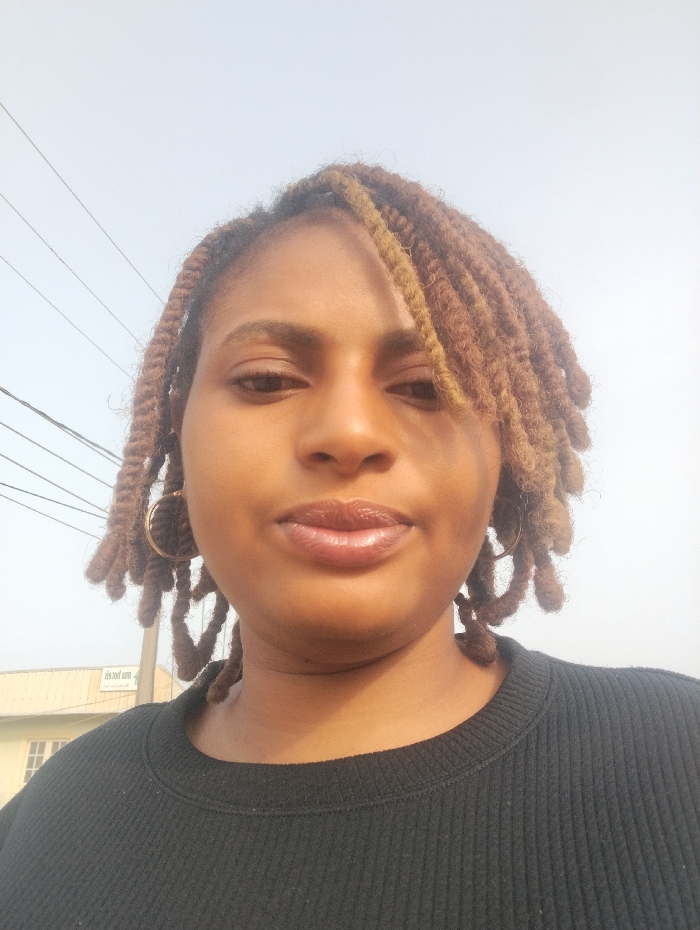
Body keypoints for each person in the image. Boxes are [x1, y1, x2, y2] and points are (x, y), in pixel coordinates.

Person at [0, 164, 697, 929]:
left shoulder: (678, 759)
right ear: (177, 430)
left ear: (509, 449)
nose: (350, 432)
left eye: (425, 386)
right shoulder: (44, 827)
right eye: (268, 379)